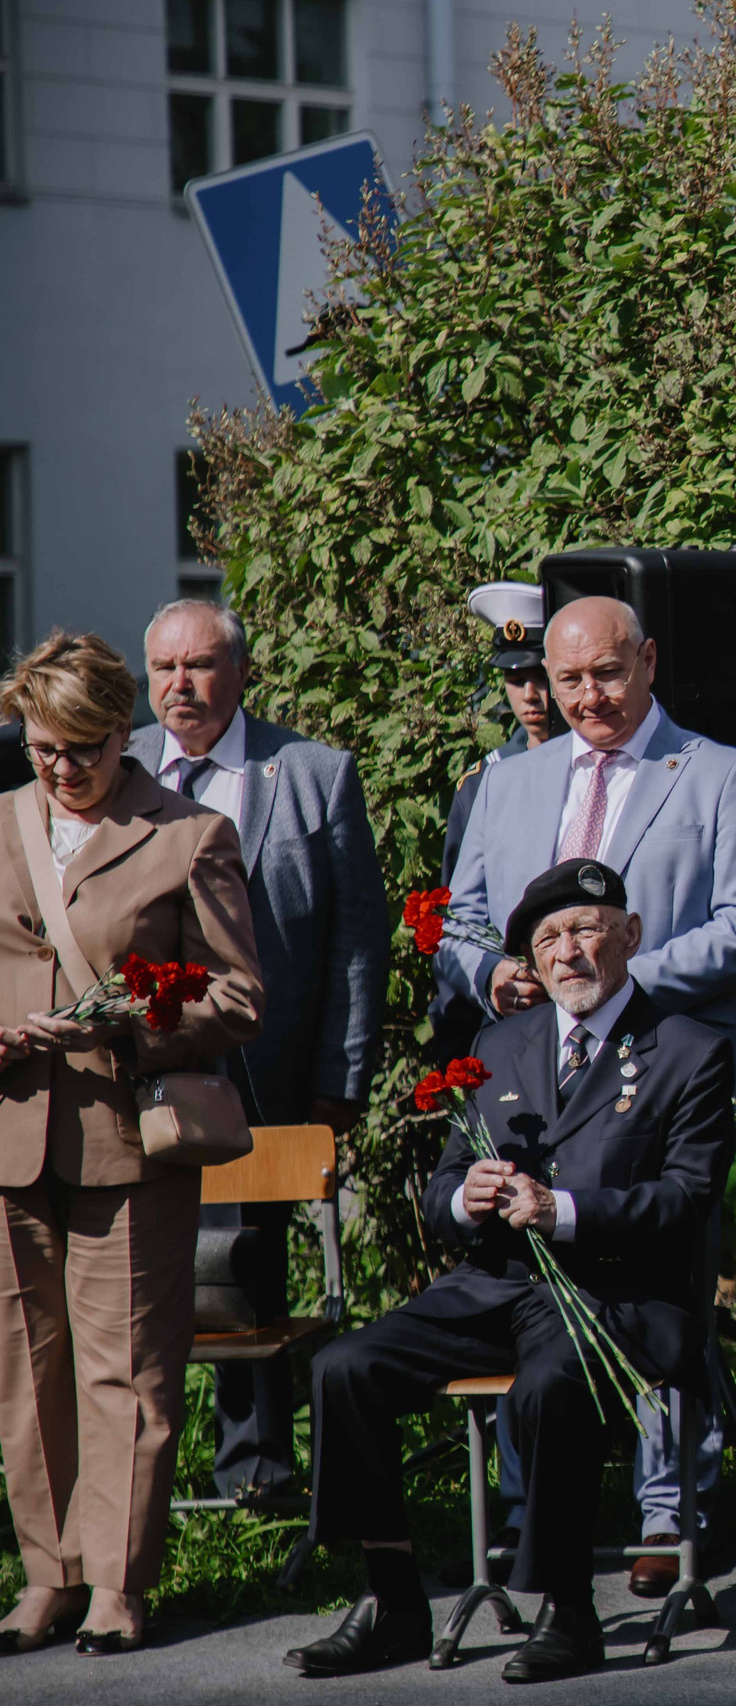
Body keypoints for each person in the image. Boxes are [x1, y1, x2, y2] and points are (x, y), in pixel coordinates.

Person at [286, 859, 736, 1683]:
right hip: (496, 1285)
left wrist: (560, 1210)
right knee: (342, 1367)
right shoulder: (501, 1043)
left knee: (550, 1384)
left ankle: (569, 1610)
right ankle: (391, 1598)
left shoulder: (688, 1051)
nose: (568, 953)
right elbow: (440, 1193)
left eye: (587, 931)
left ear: (629, 937)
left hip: (619, 1292)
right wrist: (469, 1195)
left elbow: (687, 1201)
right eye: (549, 940)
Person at [442, 594, 736, 1592]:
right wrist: (490, 974)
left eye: (609, 673)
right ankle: (527, 1505)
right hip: (532, 1081)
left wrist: (610, 986)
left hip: (663, 1072)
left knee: (656, 1282)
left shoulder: (716, 772)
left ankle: (667, 1511)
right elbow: (464, 918)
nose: (589, 696)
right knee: (526, 1275)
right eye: (569, 678)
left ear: (649, 662)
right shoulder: (508, 781)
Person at [0, 631, 263, 1656]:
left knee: (128, 1371)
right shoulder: (4, 822)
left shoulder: (189, 832)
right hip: (11, 1134)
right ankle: (48, 1573)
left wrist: (133, 1020)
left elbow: (240, 993)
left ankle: (116, 1579)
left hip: (126, 1132)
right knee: (25, 1369)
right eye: (42, 748)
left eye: (85, 748)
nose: (64, 769)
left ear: (125, 731)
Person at [129, 598, 388, 1506]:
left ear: (240, 673)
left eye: (199, 666)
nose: (181, 686)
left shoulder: (310, 775)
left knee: (252, 1266)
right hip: (140, 1072)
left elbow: (356, 937)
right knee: (143, 1275)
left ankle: (259, 1475)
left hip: (269, 1073)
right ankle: (140, 1486)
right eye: (164, 669)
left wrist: (339, 1079)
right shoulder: (116, 773)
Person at [431, 582, 555, 1064]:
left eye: (541, 675)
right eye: (514, 677)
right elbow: (460, 920)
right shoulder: (484, 781)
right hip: (510, 1024)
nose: (530, 695)